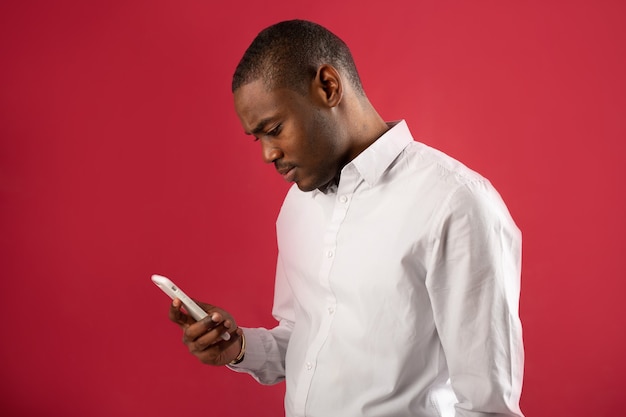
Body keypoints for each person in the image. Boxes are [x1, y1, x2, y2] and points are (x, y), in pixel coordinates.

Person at [168, 19, 525, 417]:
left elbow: (487, 406)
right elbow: (307, 342)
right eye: (259, 138)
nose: (268, 154)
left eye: (274, 129)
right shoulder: (297, 206)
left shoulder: (455, 204)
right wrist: (238, 347)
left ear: (328, 87)